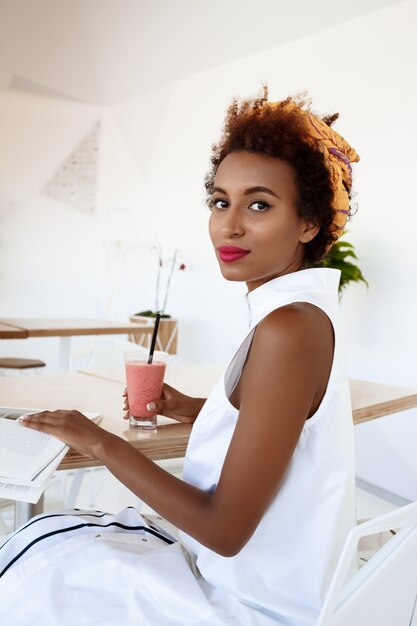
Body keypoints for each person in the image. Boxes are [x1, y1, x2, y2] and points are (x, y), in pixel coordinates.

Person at [0, 87, 360, 626]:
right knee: (55, 548)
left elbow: (224, 531)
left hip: (252, 603)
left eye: (259, 204)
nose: (229, 224)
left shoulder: (288, 328)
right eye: (221, 201)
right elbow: (282, 429)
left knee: (40, 567)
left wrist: (99, 441)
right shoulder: (298, 313)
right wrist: (197, 408)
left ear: (308, 224)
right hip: (271, 580)